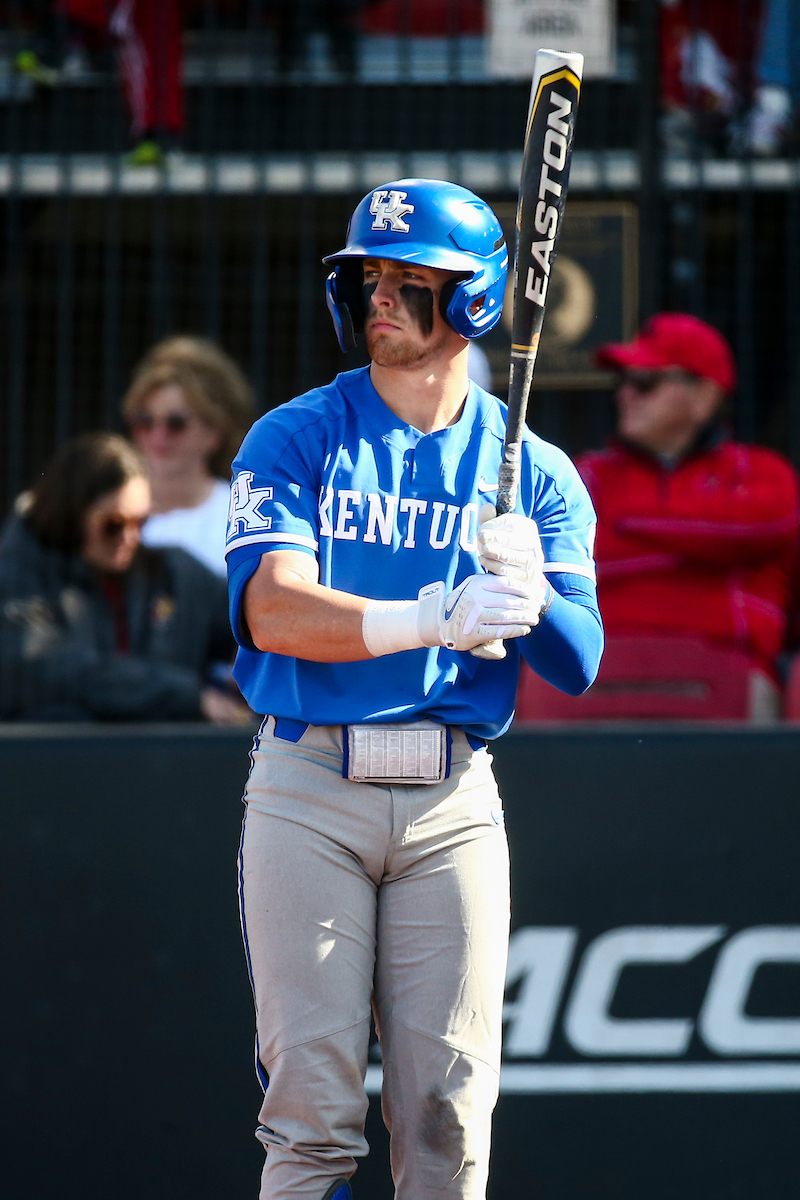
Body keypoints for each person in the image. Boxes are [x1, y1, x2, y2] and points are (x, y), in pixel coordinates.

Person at [227, 178, 603, 1200]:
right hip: (310, 783)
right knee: (311, 1118)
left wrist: (531, 594)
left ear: (471, 298)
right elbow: (273, 610)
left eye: (409, 279)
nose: (379, 296)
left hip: (451, 798)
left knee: (448, 1122)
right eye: (369, 277)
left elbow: (578, 661)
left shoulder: (534, 470)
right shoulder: (297, 434)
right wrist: (434, 617)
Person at [578, 312, 800, 711]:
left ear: (705, 396)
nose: (625, 394)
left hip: (726, 683)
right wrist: (708, 545)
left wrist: (625, 521)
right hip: (597, 685)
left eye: (645, 382)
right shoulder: (586, 474)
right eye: (623, 381)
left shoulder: (760, 471)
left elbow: (772, 522)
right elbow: (557, 562)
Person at [0, 432, 250, 724]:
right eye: (114, 525)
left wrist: (248, 662)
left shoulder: (172, 572)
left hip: (167, 750)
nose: (130, 537)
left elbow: (250, 622)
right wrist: (188, 696)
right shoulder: (20, 575)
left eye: (141, 522)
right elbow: (40, 668)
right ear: (71, 516)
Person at [123, 335, 255, 578]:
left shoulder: (241, 517)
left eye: (176, 424)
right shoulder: (111, 515)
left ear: (215, 432)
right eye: (145, 422)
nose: (157, 436)